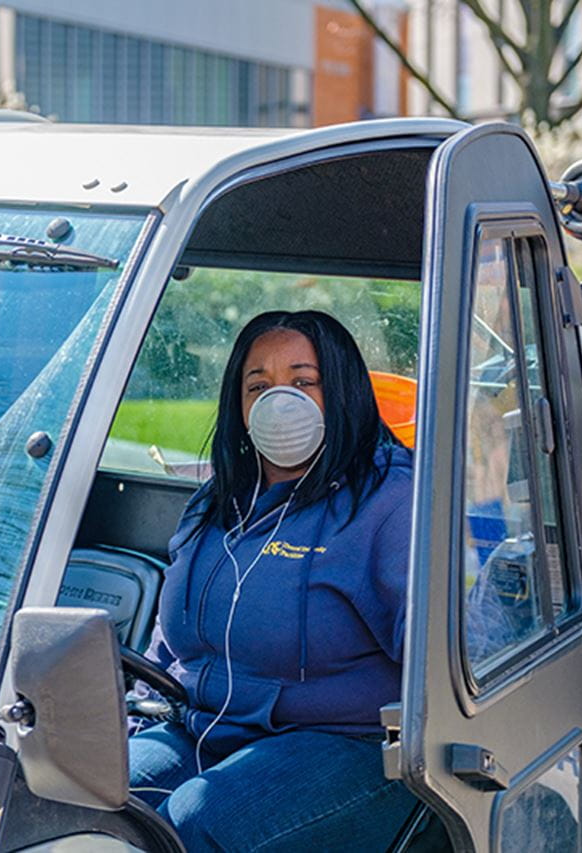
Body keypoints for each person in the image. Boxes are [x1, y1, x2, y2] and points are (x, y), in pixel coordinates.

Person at [129, 310, 418, 852]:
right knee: (86, 798)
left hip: (344, 743)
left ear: (344, 392)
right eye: (257, 385)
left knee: (194, 821)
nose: (278, 400)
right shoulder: (214, 504)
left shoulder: (391, 505)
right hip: (205, 727)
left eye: (303, 382)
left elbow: (443, 659)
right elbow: (169, 642)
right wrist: (134, 714)